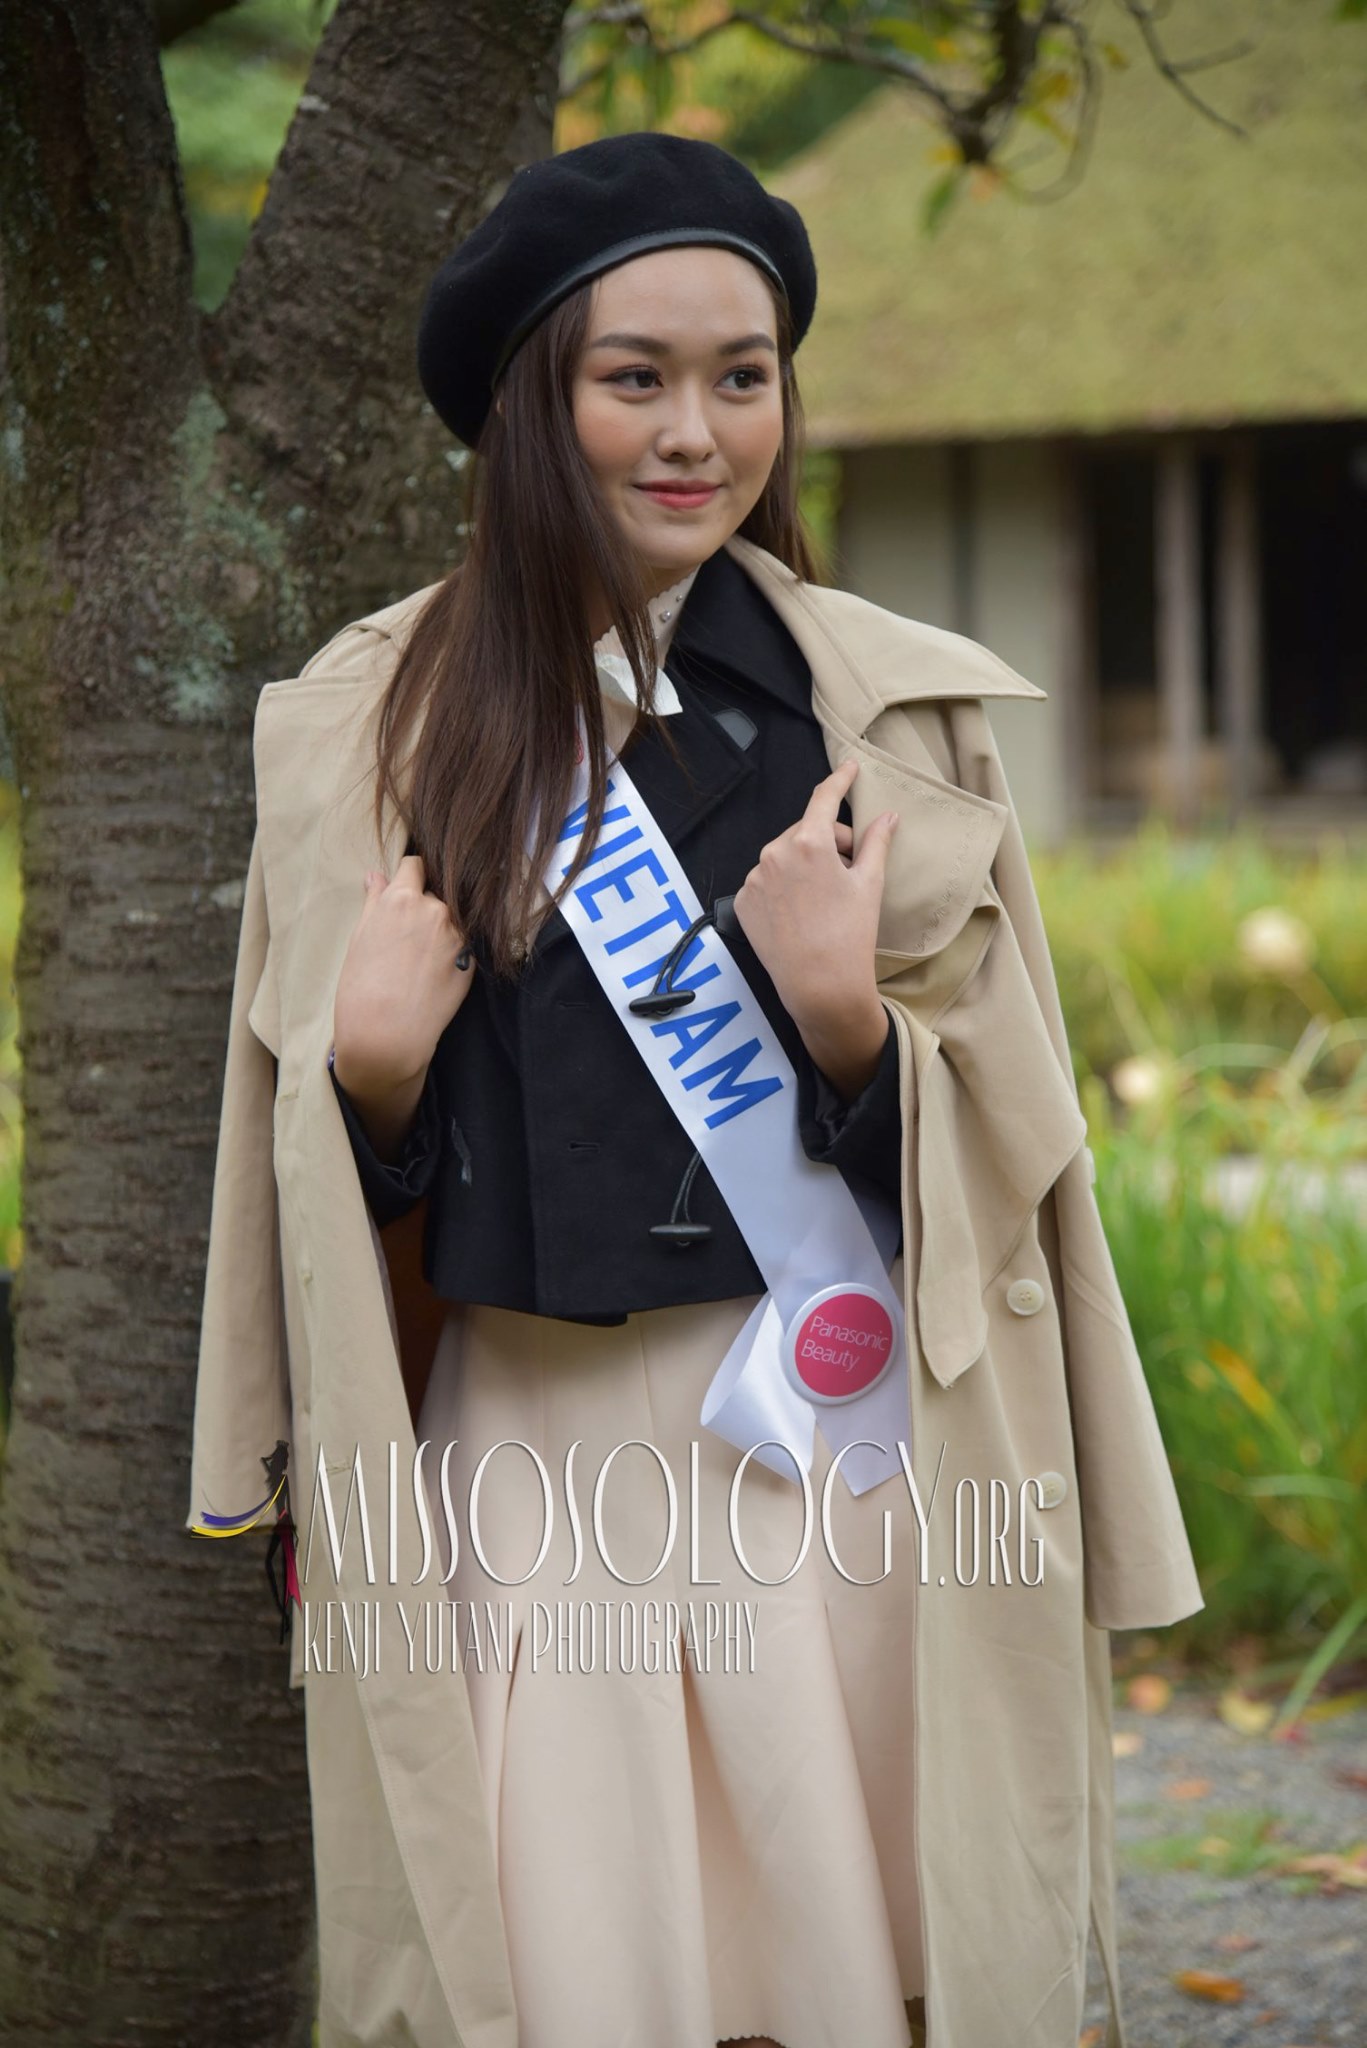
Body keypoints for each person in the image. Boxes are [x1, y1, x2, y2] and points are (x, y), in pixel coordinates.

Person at [187, 132, 1202, 2048]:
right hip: (529, 1453)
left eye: (742, 377)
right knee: (575, 1967)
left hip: (837, 1443)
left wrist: (847, 1027)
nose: (695, 432)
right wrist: (373, 1078)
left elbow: (1013, 1160)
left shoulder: (887, 711)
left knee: (857, 1961)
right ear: (532, 404)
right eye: (633, 377)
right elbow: (322, 1223)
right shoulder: (371, 727)